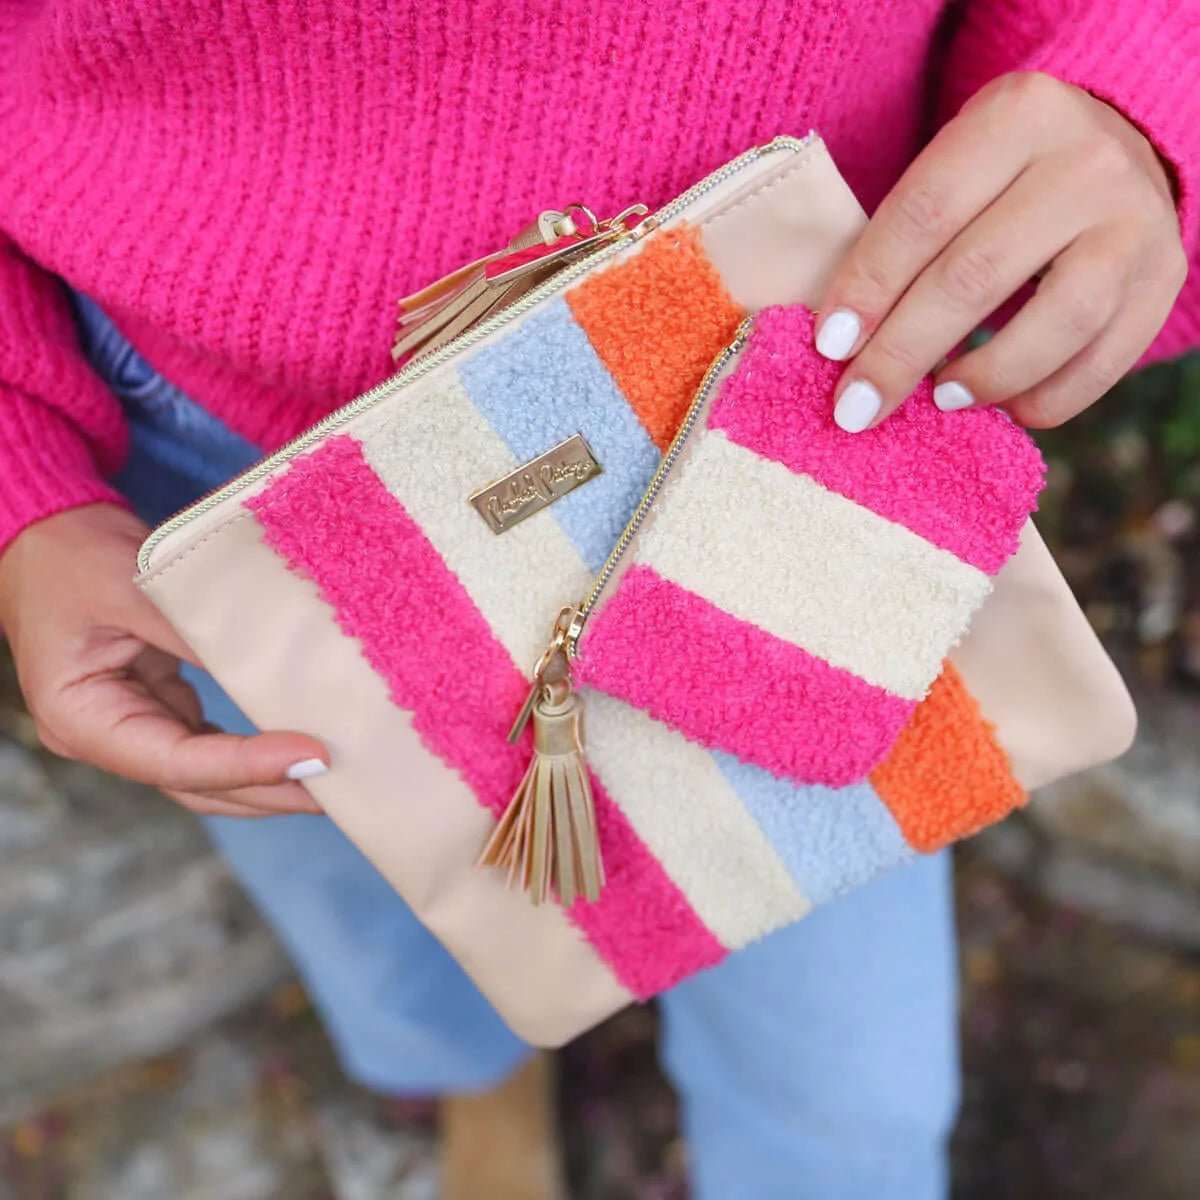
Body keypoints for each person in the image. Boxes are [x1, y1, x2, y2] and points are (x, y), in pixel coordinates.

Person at [0, 3, 1196, 1196]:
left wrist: (1133, 99)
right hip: (241, 470)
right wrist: (22, 473)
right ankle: (472, 1074)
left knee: (846, 1093)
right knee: (379, 908)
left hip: (773, 380)